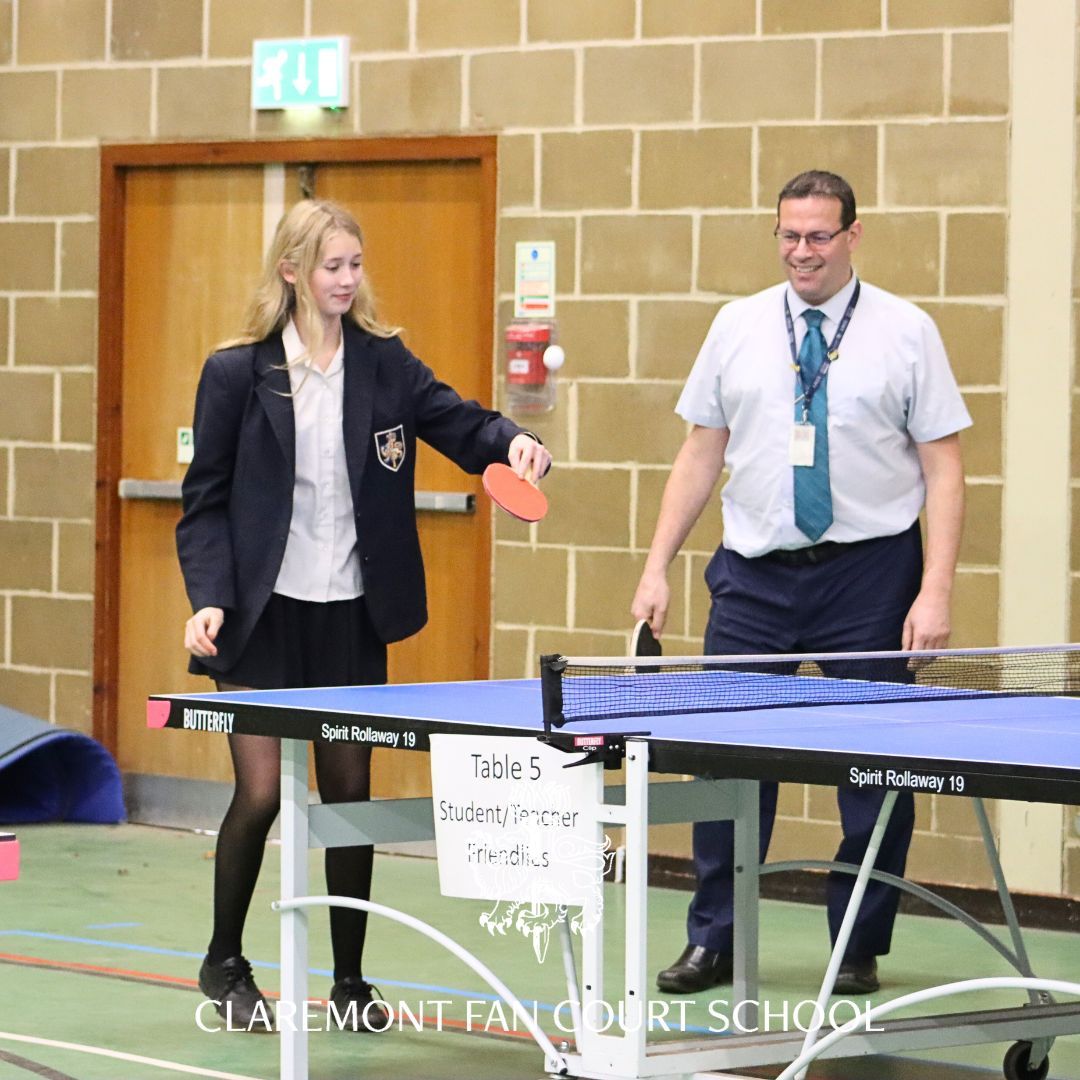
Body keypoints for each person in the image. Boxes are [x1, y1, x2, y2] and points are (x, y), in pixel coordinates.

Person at [176, 199, 551, 1032]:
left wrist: (513, 444)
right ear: (291, 272)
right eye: (331, 267)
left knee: (349, 794)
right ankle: (225, 960)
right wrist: (207, 596)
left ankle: (349, 981)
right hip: (261, 616)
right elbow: (202, 504)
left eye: (354, 265)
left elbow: (462, 423)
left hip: (350, 613)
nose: (347, 280)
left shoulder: (384, 364)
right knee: (264, 792)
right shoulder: (238, 373)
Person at [631, 170, 969, 997]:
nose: (802, 251)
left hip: (870, 573)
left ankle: (856, 943)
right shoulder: (738, 326)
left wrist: (936, 591)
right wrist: (656, 565)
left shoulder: (906, 330)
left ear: (854, 235)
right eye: (789, 235)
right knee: (724, 761)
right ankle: (714, 937)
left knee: (874, 769)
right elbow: (700, 453)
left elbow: (945, 468)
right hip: (752, 574)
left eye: (819, 235)